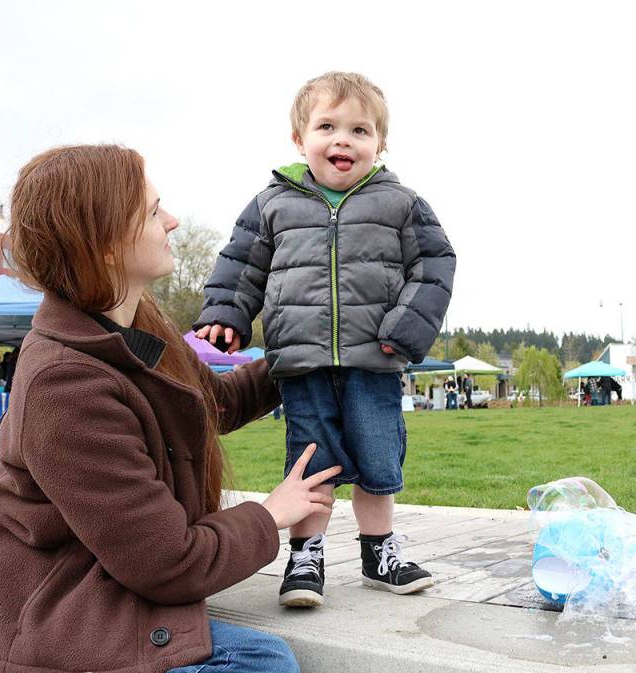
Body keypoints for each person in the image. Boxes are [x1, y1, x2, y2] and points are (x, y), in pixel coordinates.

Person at [0, 145, 343, 673]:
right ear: (102, 244)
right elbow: (168, 564)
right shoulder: (66, 383)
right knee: (259, 667)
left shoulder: (133, 324)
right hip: (26, 632)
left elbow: (208, 406)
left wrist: (305, 358)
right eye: (152, 212)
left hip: (82, 598)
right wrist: (270, 516)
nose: (171, 221)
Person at [193, 72, 456, 608]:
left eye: (360, 130)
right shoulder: (272, 204)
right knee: (312, 461)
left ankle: (379, 551)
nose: (343, 140)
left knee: (378, 458)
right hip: (302, 362)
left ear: (379, 144)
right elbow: (242, 264)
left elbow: (434, 266)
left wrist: (407, 328)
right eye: (327, 127)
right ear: (300, 139)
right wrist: (226, 313)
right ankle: (306, 554)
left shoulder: (401, 203)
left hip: (374, 358)